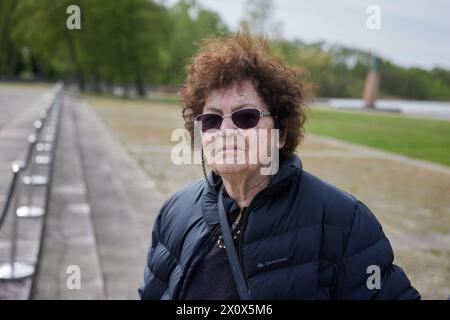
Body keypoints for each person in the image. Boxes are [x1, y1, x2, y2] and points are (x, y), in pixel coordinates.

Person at [138, 32, 420, 300]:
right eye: (211, 120)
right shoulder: (175, 211)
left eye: (245, 117)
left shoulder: (345, 222)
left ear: (281, 133)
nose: (225, 131)